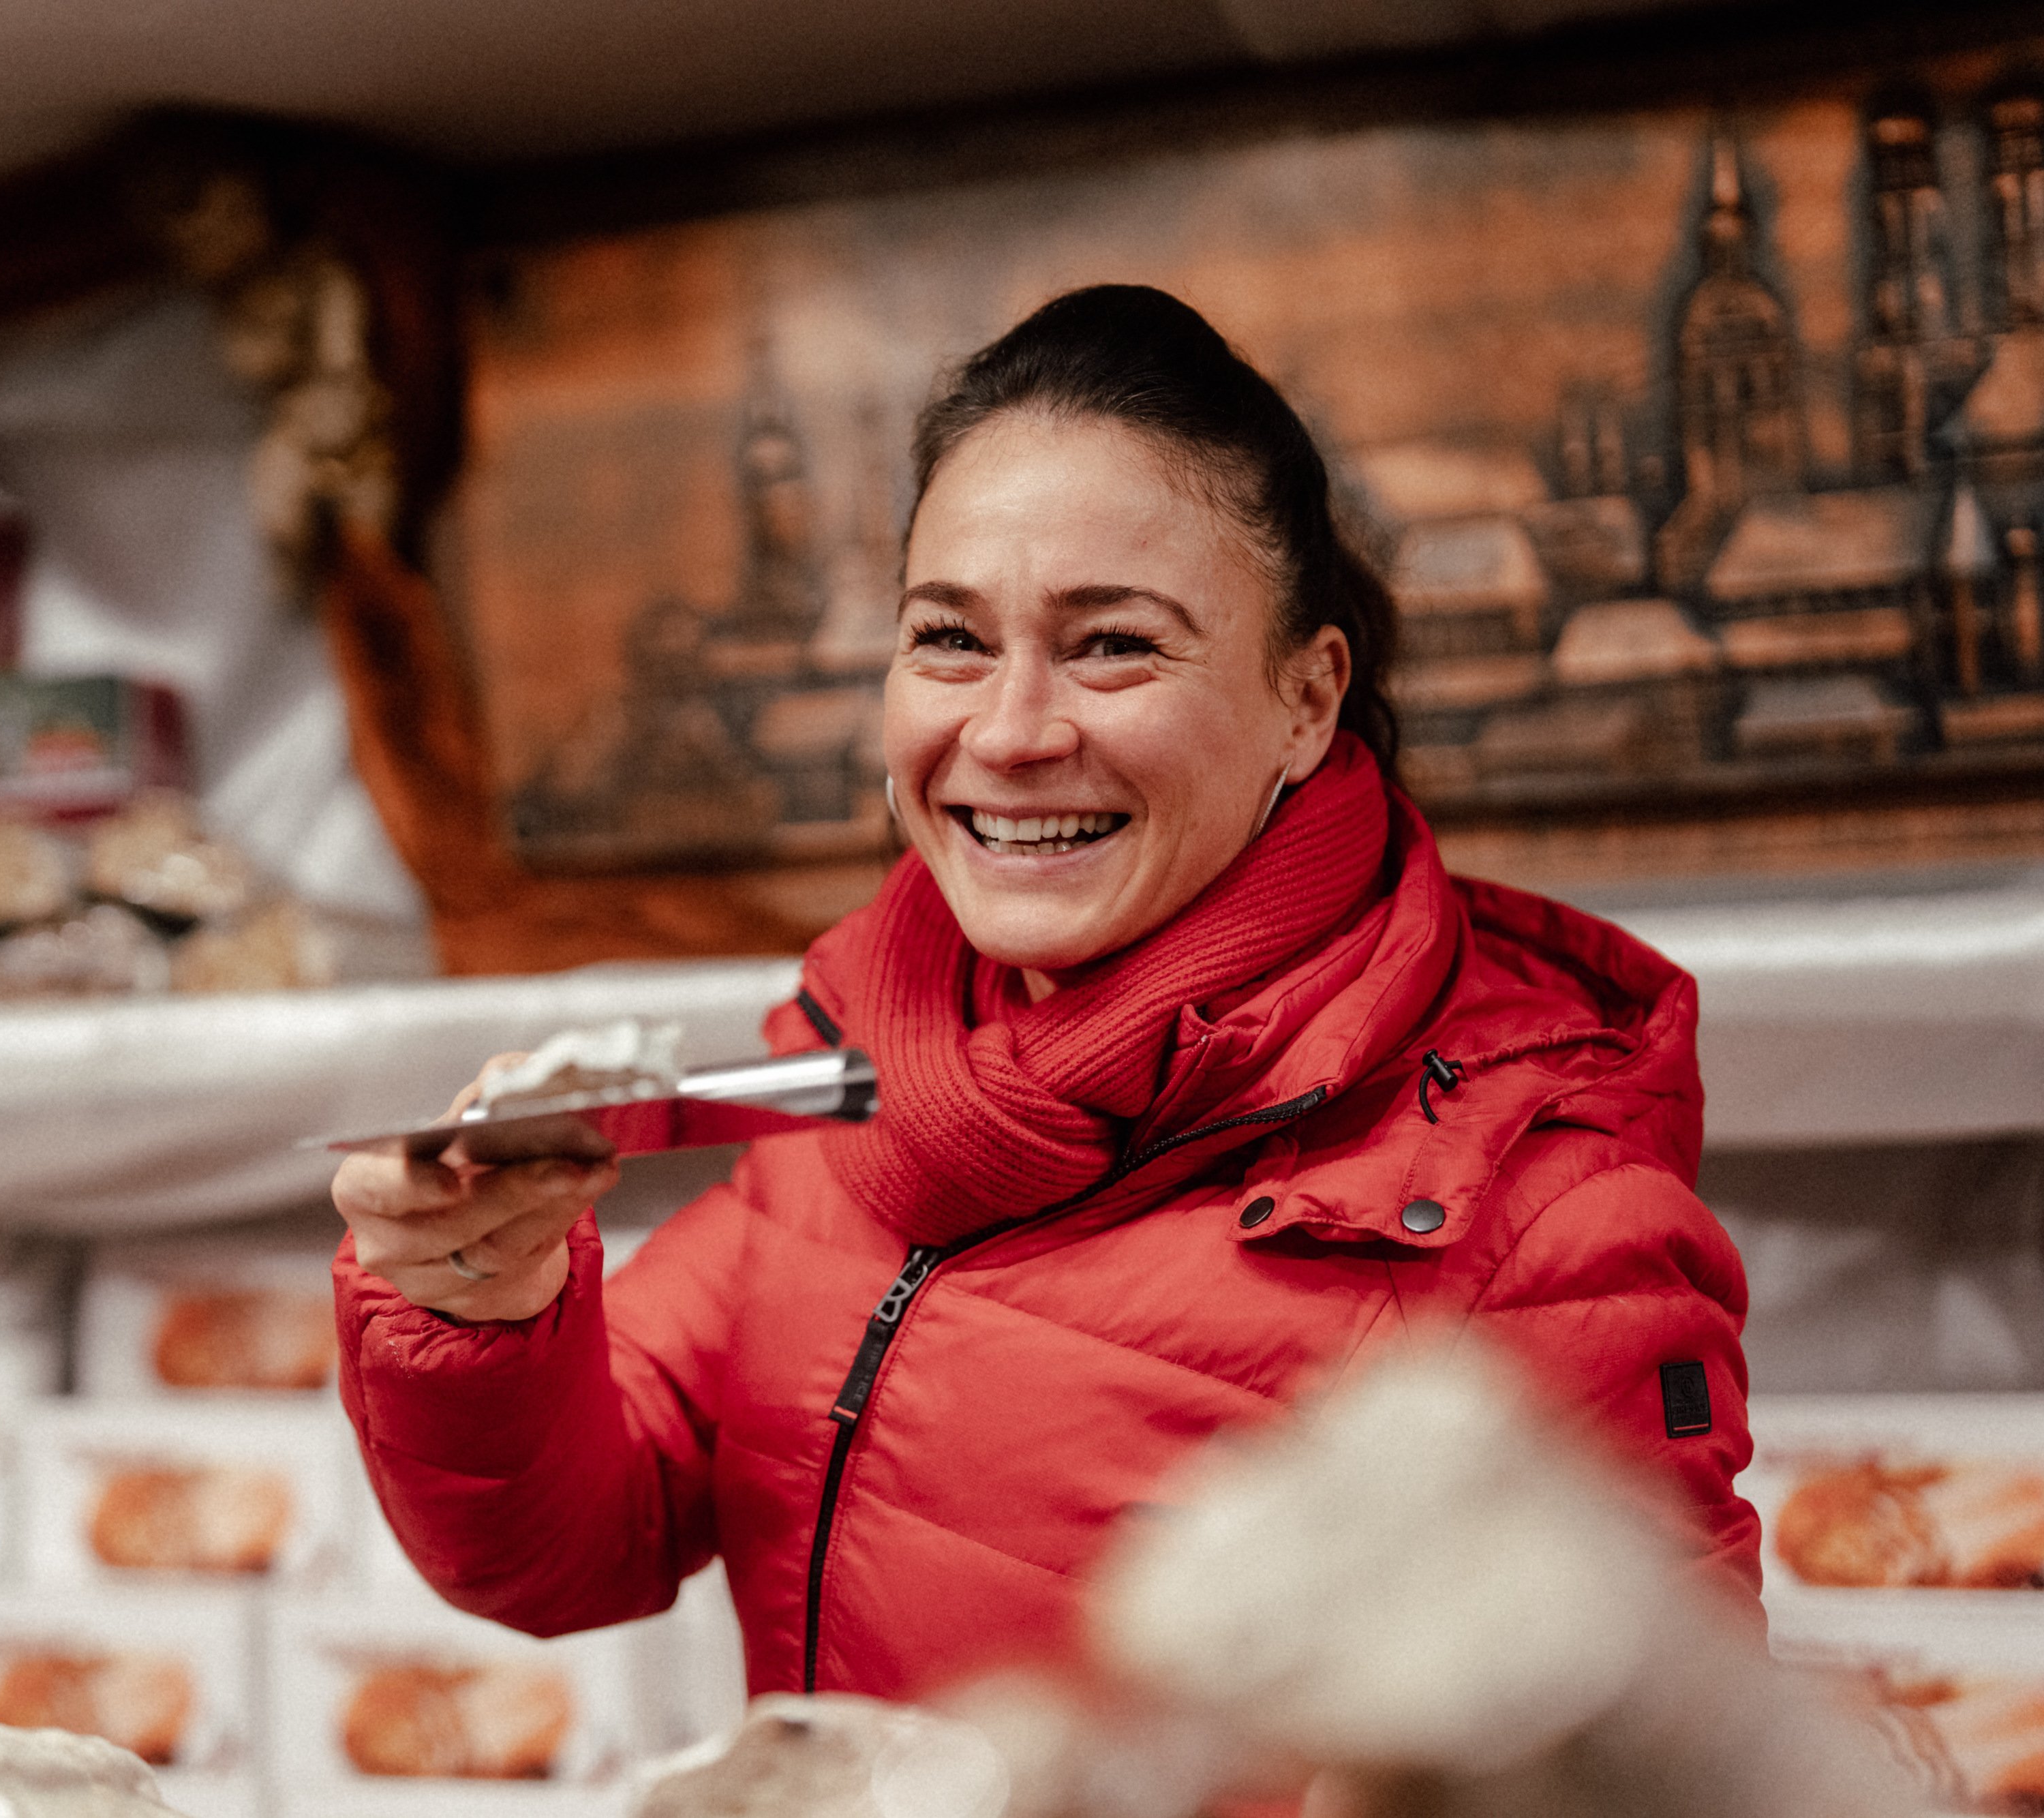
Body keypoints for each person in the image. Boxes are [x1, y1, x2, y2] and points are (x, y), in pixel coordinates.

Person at [329, 284, 1756, 1701]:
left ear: (1306, 698)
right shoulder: (855, 1079)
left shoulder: (1543, 1210)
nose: (1006, 733)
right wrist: (474, 1297)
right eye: (948, 637)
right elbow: (570, 1543)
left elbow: (1660, 1772)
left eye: (1112, 643)